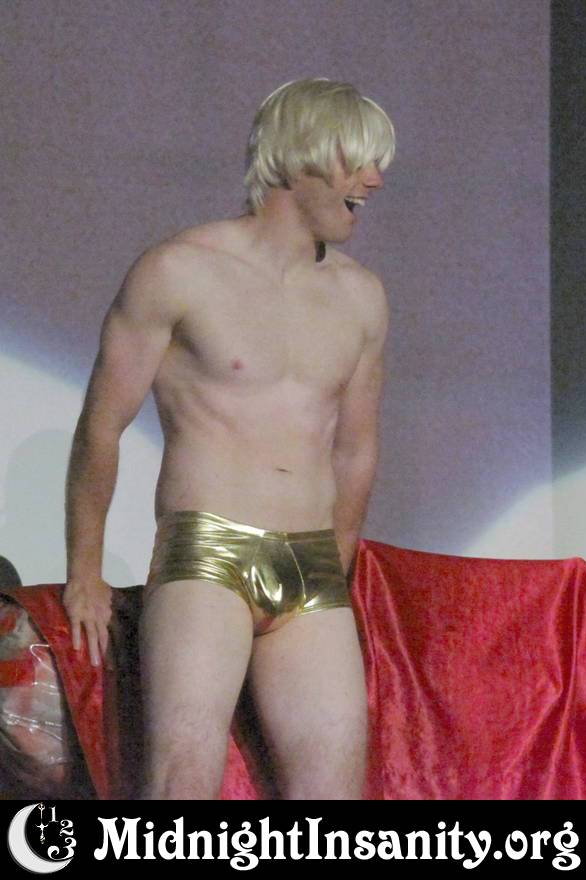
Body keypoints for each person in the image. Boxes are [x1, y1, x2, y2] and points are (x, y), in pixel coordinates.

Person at [63, 77, 395, 800]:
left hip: (310, 568)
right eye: (359, 161)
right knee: (181, 779)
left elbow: (355, 450)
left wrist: (335, 569)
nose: (374, 179)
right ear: (300, 157)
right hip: (206, 554)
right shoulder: (178, 271)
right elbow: (102, 425)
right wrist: (84, 570)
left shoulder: (361, 297)